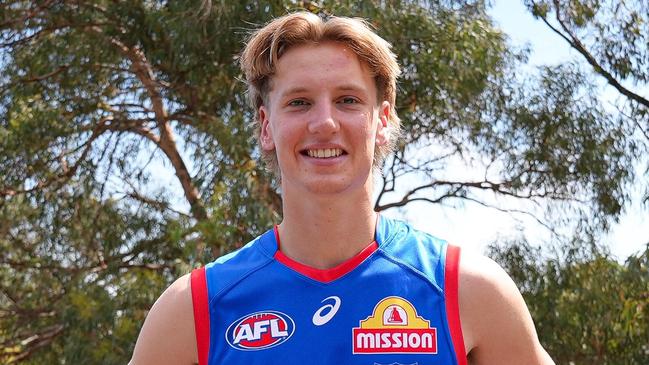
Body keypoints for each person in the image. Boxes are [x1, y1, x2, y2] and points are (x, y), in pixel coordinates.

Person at [130, 11, 555, 365]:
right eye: (299, 102)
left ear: (382, 121)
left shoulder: (468, 291)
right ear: (265, 127)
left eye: (348, 100)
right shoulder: (194, 309)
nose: (325, 123)